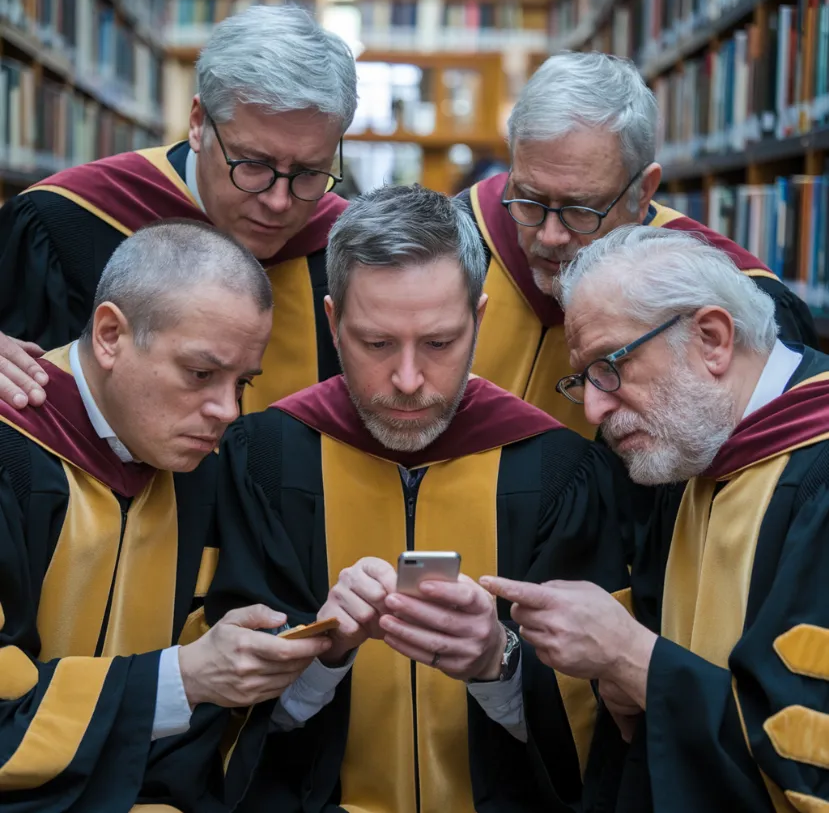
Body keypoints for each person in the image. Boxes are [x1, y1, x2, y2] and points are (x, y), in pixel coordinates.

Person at [204, 185, 635, 813]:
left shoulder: (556, 469)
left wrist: (500, 661)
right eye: (376, 344)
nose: (408, 382)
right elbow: (224, 731)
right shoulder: (263, 461)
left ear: (479, 320)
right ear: (332, 322)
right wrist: (322, 654)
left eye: (438, 343)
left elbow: (597, 740)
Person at [483, 225, 829, 812]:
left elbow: (809, 760)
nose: (594, 407)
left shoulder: (816, 479)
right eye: (584, 379)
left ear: (713, 339)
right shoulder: (697, 445)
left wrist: (633, 658)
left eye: (610, 366)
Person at [0, 220, 334, 812]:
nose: (228, 411)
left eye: (242, 383)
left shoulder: (203, 475)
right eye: (201, 374)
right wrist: (182, 679)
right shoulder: (13, 460)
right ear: (110, 335)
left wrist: (308, 651)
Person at [0, 5, 357, 414]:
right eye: (253, 164)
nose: (279, 201)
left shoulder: (345, 249)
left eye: (310, 172)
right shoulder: (64, 223)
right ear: (198, 122)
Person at [456, 51, 817, 438]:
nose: (549, 236)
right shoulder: (453, 241)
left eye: (582, 209)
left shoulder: (734, 295)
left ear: (643, 191)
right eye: (529, 197)